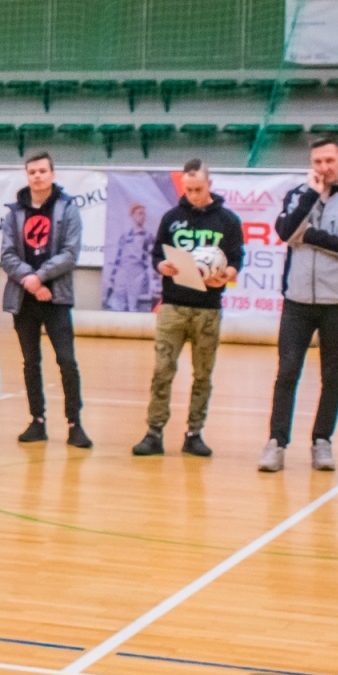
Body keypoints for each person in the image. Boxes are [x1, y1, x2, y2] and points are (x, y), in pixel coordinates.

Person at [258, 137, 338, 473]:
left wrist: (309, 237)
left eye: (329, 160)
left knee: (331, 374)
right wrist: (309, 197)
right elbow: (284, 232)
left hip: (337, 302)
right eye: (317, 162)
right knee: (287, 371)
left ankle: (322, 441)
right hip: (296, 302)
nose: (324, 168)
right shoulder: (297, 195)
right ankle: (276, 443)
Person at [131, 159, 244, 458]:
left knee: (203, 375)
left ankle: (194, 433)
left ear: (209, 185)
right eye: (188, 189)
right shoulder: (172, 217)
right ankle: (154, 432)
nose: (193, 194)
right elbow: (157, 253)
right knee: (162, 370)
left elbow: (236, 259)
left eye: (198, 189)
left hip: (208, 309)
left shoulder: (228, 221)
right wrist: (162, 266)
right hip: (173, 307)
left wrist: (228, 274)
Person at [0, 151, 91, 448]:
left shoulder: (67, 208)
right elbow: (7, 254)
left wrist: (41, 277)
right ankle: (37, 421)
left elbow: (70, 252)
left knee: (66, 360)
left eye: (42, 171)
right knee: (31, 363)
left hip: (57, 297)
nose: (37, 176)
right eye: (32, 172)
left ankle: (74, 423)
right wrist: (30, 279)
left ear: (53, 174)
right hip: (24, 298)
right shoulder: (15, 211)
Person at [103, 202, 158, 312]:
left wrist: (152, 280)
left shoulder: (148, 236)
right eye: (139, 213)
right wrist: (112, 278)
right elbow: (117, 258)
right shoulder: (125, 236)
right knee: (117, 304)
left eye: (143, 214)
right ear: (132, 215)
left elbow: (151, 258)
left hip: (138, 272)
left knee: (134, 304)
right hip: (123, 271)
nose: (142, 217)